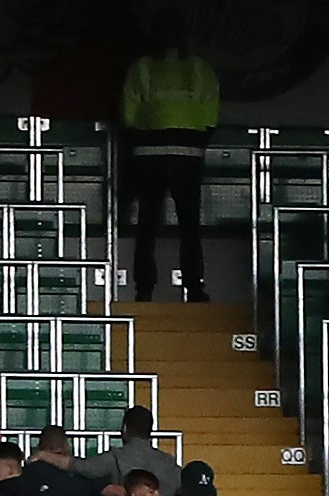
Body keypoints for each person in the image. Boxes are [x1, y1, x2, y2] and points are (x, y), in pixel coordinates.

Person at [120, 22, 218, 302]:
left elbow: (129, 114)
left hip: (148, 155)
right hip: (188, 155)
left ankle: (144, 288)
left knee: (147, 223)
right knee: (189, 225)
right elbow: (211, 114)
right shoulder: (200, 69)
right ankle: (194, 286)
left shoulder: (141, 68)